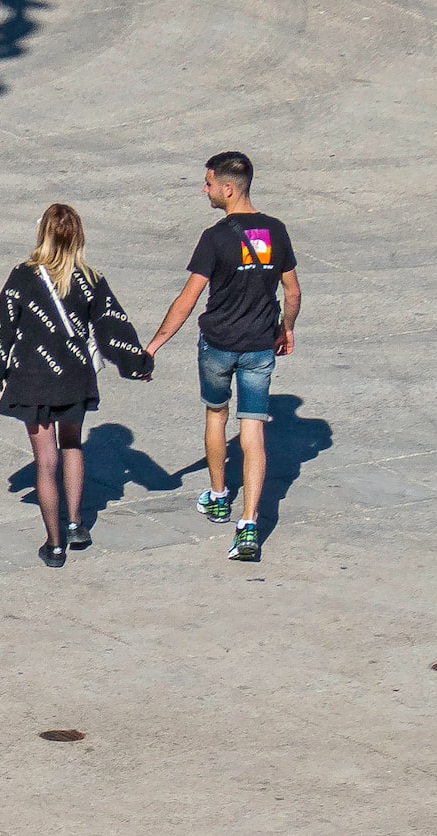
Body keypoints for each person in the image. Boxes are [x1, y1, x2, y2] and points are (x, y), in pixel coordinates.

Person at [142, 151, 303, 562]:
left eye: (209, 183)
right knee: (253, 431)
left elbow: (187, 300)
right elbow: (293, 292)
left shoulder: (215, 237)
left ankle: (217, 497)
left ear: (228, 188)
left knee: (217, 415)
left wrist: (155, 345)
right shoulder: (277, 231)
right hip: (258, 347)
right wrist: (285, 330)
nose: (205, 189)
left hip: (217, 345)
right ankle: (249, 523)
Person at [0, 204, 155, 567]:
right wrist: (138, 364)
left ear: (43, 232)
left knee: (45, 459)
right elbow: (113, 328)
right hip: (74, 377)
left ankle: (54, 545)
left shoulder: (23, 276)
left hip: (33, 379)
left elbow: (2, 327)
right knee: (72, 444)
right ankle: (76, 524)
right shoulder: (90, 278)